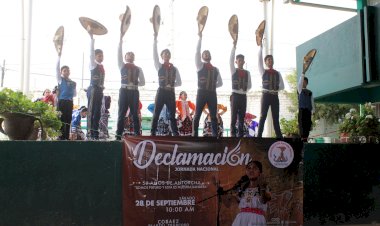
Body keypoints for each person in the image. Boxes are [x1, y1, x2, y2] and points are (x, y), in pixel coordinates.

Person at [115, 33, 145, 140]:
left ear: (134, 57)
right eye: (128, 54)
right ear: (125, 57)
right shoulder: (122, 65)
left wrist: (134, 84)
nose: (131, 56)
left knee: (135, 114)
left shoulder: (138, 68)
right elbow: (118, 54)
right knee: (121, 113)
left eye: (132, 55)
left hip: (134, 92)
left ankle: (137, 135)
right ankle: (118, 135)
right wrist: (120, 42)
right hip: (124, 90)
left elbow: (143, 82)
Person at [150, 33, 182, 136]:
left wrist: (171, 85)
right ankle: (152, 133)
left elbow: (179, 82)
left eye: (168, 54)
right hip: (161, 91)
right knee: (156, 113)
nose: (167, 55)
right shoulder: (159, 66)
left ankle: (175, 133)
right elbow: (154, 55)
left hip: (171, 93)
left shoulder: (175, 68)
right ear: (162, 56)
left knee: (172, 114)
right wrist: (155, 40)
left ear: (170, 56)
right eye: (165, 54)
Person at [193, 32, 223, 137]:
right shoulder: (200, 66)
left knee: (214, 116)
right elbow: (197, 52)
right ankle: (194, 135)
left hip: (212, 93)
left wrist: (212, 86)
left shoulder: (216, 69)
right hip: (201, 92)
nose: (206, 55)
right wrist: (200, 38)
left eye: (208, 53)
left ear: (210, 56)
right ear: (202, 56)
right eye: (204, 54)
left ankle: (215, 136)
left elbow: (221, 83)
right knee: (197, 114)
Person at [231, 160, 271, 226]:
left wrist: (262, 187)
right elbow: (232, 202)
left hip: (256, 219)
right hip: (241, 219)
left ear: (260, 172)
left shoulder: (265, 187)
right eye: (249, 168)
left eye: (255, 168)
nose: (251, 170)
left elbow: (264, 200)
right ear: (246, 172)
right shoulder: (242, 188)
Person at [257, 44, 284, 138]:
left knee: (275, 117)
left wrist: (276, 88)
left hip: (275, 96)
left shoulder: (277, 73)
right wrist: (260, 47)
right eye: (268, 60)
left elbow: (282, 86)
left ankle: (279, 136)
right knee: (263, 116)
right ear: (265, 62)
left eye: (271, 59)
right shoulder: (263, 71)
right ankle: (259, 136)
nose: (270, 61)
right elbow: (259, 60)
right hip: (265, 95)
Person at [229, 41, 252, 137]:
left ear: (244, 61)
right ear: (236, 62)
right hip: (235, 95)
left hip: (243, 96)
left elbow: (250, 85)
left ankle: (241, 134)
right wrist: (234, 47)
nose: (240, 62)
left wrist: (244, 90)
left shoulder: (247, 73)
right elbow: (230, 60)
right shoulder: (233, 70)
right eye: (239, 60)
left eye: (242, 60)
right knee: (234, 115)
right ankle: (233, 133)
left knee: (242, 116)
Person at [86, 28, 105, 140]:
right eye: (99, 56)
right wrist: (92, 38)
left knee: (98, 113)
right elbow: (91, 53)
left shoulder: (102, 66)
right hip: (93, 89)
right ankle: (89, 133)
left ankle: (95, 133)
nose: (101, 57)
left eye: (102, 55)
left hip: (99, 90)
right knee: (91, 111)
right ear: (95, 56)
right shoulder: (93, 64)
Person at [56, 52, 76, 140]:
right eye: (64, 70)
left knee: (68, 119)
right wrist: (59, 57)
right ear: (61, 72)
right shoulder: (60, 80)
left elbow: (75, 94)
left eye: (68, 70)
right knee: (61, 119)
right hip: (62, 101)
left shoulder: (73, 83)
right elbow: (56, 69)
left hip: (70, 102)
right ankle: (60, 136)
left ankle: (66, 137)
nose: (66, 72)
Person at [297, 74, 315, 142]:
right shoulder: (300, 90)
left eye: (305, 82)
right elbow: (299, 83)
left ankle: (305, 140)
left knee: (307, 126)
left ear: (307, 83)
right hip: (302, 111)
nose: (303, 83)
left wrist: (313, 110)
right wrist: (302, 75)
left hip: (308, 111)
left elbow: (312, 101)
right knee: (302, 126)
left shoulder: (310, 92)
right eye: (302, 82)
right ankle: (302, 139)